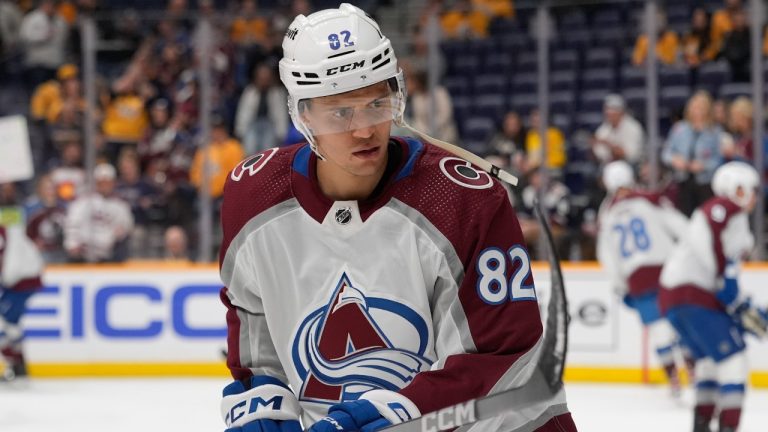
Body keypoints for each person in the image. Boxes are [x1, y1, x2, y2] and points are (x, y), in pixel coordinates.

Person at [217, 4, 577, 432]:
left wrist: (401, 411)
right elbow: (253, 321)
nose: (365, 129)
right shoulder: (253, 195)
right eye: (339, 111)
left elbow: (508, 355)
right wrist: (261, 396)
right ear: (303, 115)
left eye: (376, 102)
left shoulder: (463, 198)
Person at [659, 161, 766, 432]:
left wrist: (739, 306)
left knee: (707, 364)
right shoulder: (729, 211)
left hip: (673, 298)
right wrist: (743, 308)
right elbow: (722, 278)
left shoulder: (711, 212)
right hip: (694, 296)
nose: (754, 195)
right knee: (734, 362)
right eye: (751, 189)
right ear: (737, 188)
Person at [596, 161, 691, 395]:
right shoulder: (649, 200)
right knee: (680, 321)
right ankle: (693, 369)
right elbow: (682, 227)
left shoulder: (607, 215)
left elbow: (607, 256)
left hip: (637, 278)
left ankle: (673, 378)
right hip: (667, 269)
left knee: (658, 329)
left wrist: (620, 284)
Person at [0, 213, 45, 379]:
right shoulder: (10, 231)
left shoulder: (7, 233)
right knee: (11, 325)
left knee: (7, 324)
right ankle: (18, 365)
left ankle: (16, 364)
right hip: (22, 281)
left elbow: (11, 264)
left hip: (22, 282)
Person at [592, 94, 645, 167]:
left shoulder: (634, 127)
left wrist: (609, 145)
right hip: (609, 165)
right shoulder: (603, 129)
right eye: (608, 111)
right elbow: (600, 155)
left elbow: (631, 156)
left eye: (613, 111)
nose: (609, 114)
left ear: (621, 112)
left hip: (632, 165)